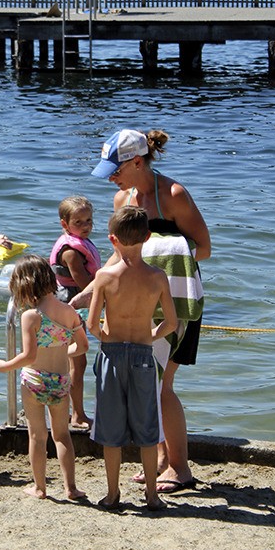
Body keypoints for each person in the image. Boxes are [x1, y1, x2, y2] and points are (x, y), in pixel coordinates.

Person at [89, 128, 211, 494]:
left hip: (176, 300)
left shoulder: (173, 195)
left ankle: (180, 467)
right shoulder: (121, 198)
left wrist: (158, 255)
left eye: (115, 169)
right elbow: (119, 253)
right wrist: (95, 288)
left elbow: (202, 248)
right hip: (137, 302)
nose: (111, 176)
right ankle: (158, 458)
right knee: (147, 383)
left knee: (162, 387)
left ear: (138, 162)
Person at [87, 207, 178, 511]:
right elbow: (172, 323)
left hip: (112, 354)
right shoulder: (157, 277)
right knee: (147, 429)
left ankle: (113, 495)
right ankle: (152, 495)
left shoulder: (103, 276)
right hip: (141, 354)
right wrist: (148, 336)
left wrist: (107, 338)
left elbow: (91, 325)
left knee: (111, 431)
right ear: (148, 237)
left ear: (112, 238)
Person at [0, 255, 88, 500]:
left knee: (37, 435)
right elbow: (83, 346)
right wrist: (63, 350)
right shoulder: (69, 312)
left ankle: (40, 487)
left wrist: (5, 365)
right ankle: (71, 488)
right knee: (62, 435)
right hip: (60, 381)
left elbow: (28, 356)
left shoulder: (31, 316)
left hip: (35, 380)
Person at [50, 196, 101, 429]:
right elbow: (84, 285)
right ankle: (77, 415)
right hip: (70, 310)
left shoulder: (78, 243)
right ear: (64, 224)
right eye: (78, 222)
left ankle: (75, 412)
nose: (85, 226)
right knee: (76, 364)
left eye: (88, 220)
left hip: (72, 309)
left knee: (76, 362)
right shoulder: (71, 251)